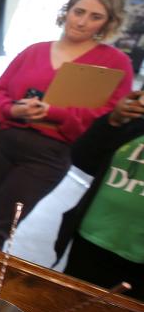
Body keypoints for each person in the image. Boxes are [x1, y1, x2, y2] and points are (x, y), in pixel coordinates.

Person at [0, 0, 132, 249]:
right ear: (67, 10)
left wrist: (54, 112)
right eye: (78, 11)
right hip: (3, 141)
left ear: (108, 23)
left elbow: (106, 119)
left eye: (95, 17)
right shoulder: (34, 51)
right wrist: (13, 109)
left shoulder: (114, 63)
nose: (82, 22)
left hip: (49, 153)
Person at [55, 93, 144, 300]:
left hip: (138, 255)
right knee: (70, 304)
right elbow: (84, 159)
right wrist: (113, 121)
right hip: (93, 237)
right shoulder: (135, 122)